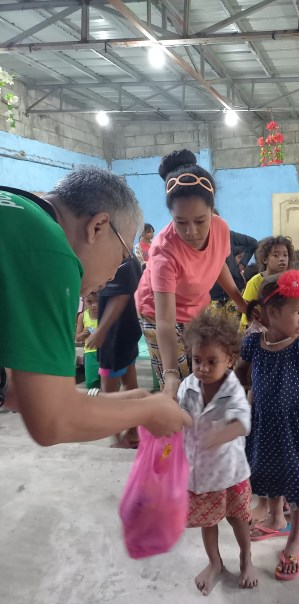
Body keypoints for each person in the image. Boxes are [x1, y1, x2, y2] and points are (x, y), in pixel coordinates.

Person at [0, 169, 191, 444]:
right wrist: (150, 409)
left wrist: (126, 407)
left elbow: (27, 394)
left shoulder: (19, 212)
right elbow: (53, 421)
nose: (114, 274)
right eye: (122, 255)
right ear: (98, 226)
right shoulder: (53, 253)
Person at [236, 270, 299, 581]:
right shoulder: (254, 344)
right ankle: (277, 520)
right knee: (268, 472)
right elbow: (239, 373)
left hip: (293, 426)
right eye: (297, 313)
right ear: (272, 313)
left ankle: (294, 540)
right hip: (262, 424)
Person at [135, 149, 247, 399]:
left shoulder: (220, 228)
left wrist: (242, 304)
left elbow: (218, 263)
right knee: (182, 382)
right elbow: (165, 321)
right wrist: (171, 372)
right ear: (171, 216)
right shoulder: (164, 251)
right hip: (158, 313)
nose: (192, 231)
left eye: (200, 220)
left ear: (212, 210)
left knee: (205, 370)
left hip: (195, 306)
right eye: (181, 222)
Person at [178, 311, 258, 595]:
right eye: (197, 360)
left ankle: (246, 557)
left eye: (212, 361)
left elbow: (243, 422)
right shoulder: (188, 386)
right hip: (200, 476)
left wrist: (220, 435)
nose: (202, 367)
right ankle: (215, 562)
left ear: (229, 361)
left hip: (230, 473)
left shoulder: (231, 389)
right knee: (207, 522)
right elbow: (182, 415)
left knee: (238, 520)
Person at [87, 255, 143, 448]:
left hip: (114, 336)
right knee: (130, 385)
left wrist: (101, 331)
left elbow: (120, 297)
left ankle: (118, 437)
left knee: (109, 394)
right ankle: (133, 432)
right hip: (126, 332)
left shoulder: (122, 262)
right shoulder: (130, 259)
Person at [240, 235, 294, 329]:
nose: (282, 259)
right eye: (275, 255)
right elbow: (246, 308)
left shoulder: (291, 280)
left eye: (285, 255)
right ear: (265, 259)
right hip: (254, 327)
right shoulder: (255, 281)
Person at [210, 217, 257, 318]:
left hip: (235, 289)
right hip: (212, 296)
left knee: (236, 330)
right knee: (214, 329)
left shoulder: (228, 235)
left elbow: (252, 243)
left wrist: (242, 263)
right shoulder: (197, 242)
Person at [75, 292, 100, 389]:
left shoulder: (106, 313)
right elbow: (77, 338)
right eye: (89, 301)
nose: (94, 305)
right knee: (91, 383)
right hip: (90, 352)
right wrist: (84, 333)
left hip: (105, 352)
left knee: (108, 381)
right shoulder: (83, 316)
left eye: (97, 301)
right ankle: (93, 401)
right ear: (84, 302)